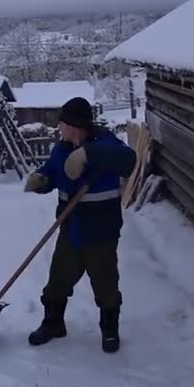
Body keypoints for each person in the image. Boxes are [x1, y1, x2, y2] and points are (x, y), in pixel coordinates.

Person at [23, 96, 136, 353]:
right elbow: (53, 170)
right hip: (70, 230)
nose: (59, 129)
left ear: (75, 126)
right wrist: (43, 179)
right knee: (58, 281)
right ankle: (53, 323)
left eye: (62, 124)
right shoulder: (61, 149)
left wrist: (88, 153)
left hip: (102, 232)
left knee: (106, 284)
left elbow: (128, 160)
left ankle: (109, 331)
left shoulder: (106, 144)